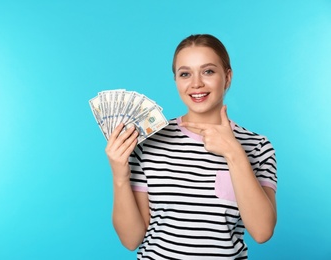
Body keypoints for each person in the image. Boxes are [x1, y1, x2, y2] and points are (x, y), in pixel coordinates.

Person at [105, 34, 277, 259]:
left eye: (208, 71)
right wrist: (119, 175)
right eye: (185, 74)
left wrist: (234, 153)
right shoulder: (149, 142)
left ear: (228, 77)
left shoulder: (257, 147)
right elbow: (131, 240)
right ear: (176, 80)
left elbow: (262, 232)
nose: (196, 83)